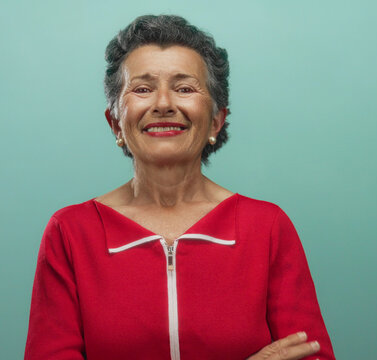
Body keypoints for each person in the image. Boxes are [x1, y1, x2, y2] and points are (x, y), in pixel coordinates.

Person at [24, 15, 335, 360]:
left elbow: (310, 355)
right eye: (142, 89)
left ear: (217, 119)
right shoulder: (70, 233)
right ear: (115, 121)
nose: (163, 104)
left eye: (185, 88)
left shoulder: (267, 228)